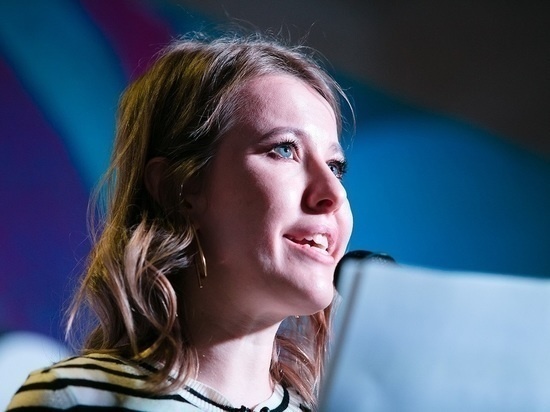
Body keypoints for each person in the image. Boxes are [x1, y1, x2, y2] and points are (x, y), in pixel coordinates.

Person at [8, 32, 353, 412]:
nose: (333, 193)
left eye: (335, 166)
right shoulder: (73, 400)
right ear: (180, 189)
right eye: (284, 149)